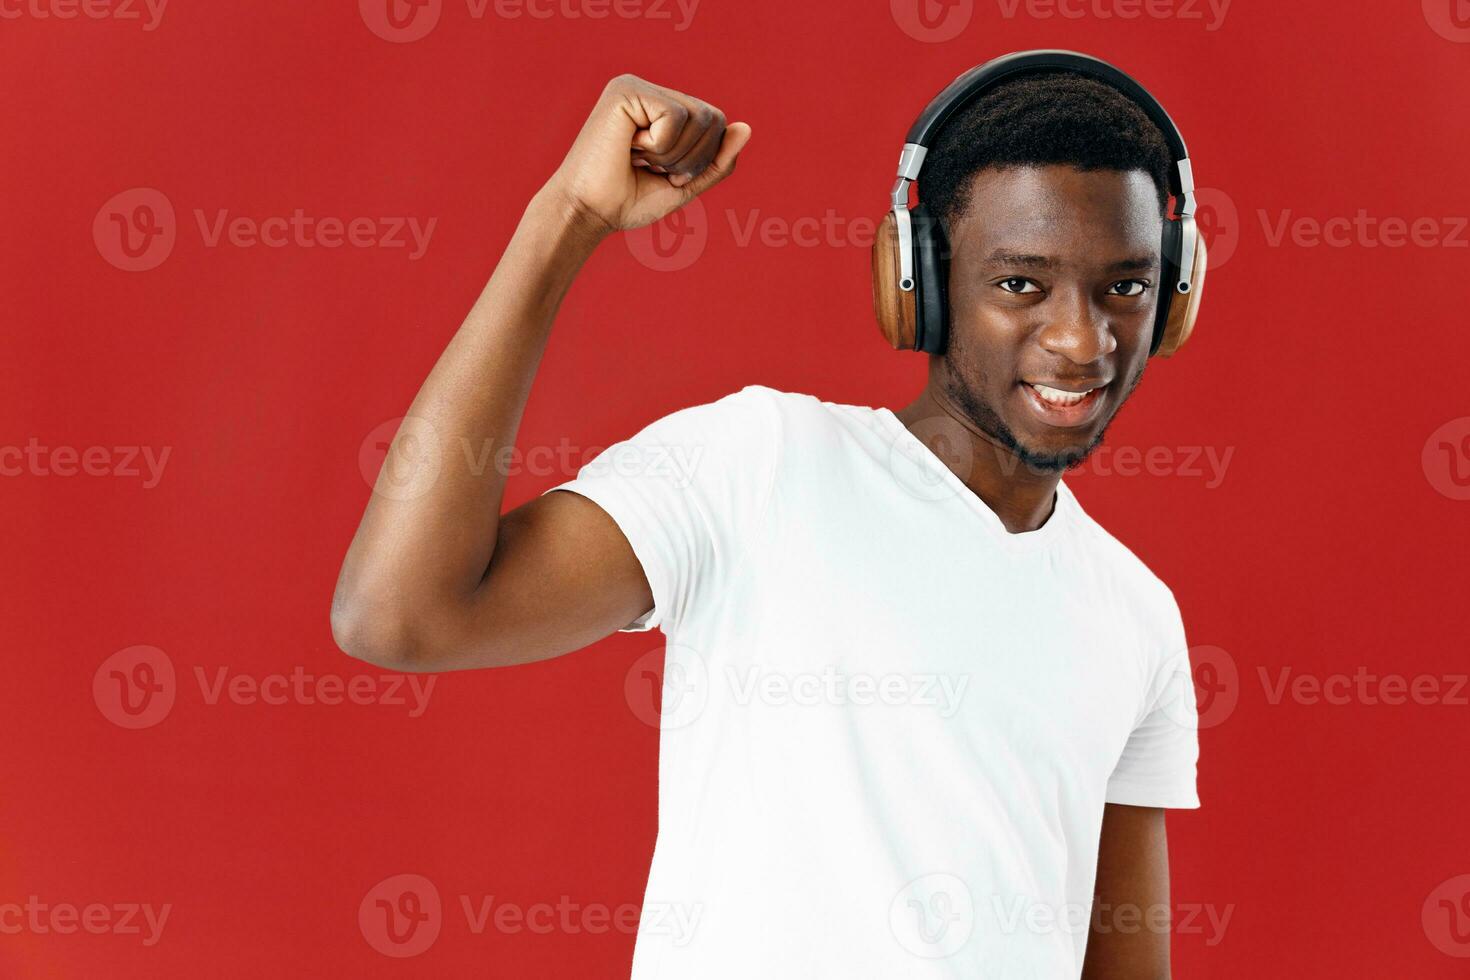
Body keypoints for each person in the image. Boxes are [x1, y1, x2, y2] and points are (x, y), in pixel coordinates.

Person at [332, 60, 1202, 979]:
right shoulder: (760, 464)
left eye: (1127, 288)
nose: (1081, 339)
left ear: (1176, 297)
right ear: (919, 284)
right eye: (1020, 285)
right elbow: (399, 615)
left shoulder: (1138, 616)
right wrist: (568, 220)